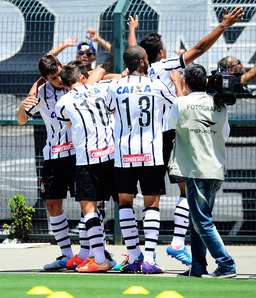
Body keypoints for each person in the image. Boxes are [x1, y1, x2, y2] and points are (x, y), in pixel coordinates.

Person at [126, 6, 244, 266]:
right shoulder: (165, 66)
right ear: (161, 53)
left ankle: (142, 254)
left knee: (146, 198)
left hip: (148, 137)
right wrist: (223, 25)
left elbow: (133, 54)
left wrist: (132, 32)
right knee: (186, 188)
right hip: (172, 131)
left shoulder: (140, 70)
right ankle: (178, 243)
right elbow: (200, 49)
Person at [106, 45, 176, 274]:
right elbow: (174, 104)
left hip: (124, 152)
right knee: (152, 204)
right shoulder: (157, 85)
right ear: (143, 62)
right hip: (151, 151)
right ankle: (149, 258)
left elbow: (109, 110)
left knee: (125, 203)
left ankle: (133, 256)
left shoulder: (115, 87)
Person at [168, 63, 236, 279]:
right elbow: (224, 135)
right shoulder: (220, 104)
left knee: (201, 222)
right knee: (199, 220)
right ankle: (197, 267)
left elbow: (171, 126)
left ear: (185, 82)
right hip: (215, 169)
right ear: (207, 82)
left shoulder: (180, 102)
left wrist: (178, 89)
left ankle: (226, 264)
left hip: (196, 170)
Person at [16, 55, 76, 271]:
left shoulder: (77, 82)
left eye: (60, 74)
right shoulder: (41, 93)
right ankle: (66, 255)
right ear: (45, 78)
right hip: (54, 155)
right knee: (52, 205)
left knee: (89, 202)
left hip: (80, 154)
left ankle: (93, 253)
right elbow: (21, 120)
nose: (59, 79)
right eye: (53, 78)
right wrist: (23, 107)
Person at [55, 63, 117, 273]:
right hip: (111, 153)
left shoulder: (62, 102)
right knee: (124, 204)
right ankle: (134, 256)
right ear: (82, 77)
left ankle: (99, 258)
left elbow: (69, 124)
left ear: (63, 83)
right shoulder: (100, 88)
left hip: (87, 158)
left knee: (88, 207)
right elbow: (111, 109)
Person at [217, 33, 256, 98]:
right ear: (231, 70)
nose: (242, 64)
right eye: (238, 62)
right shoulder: (232, 82)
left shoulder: (236, 79)